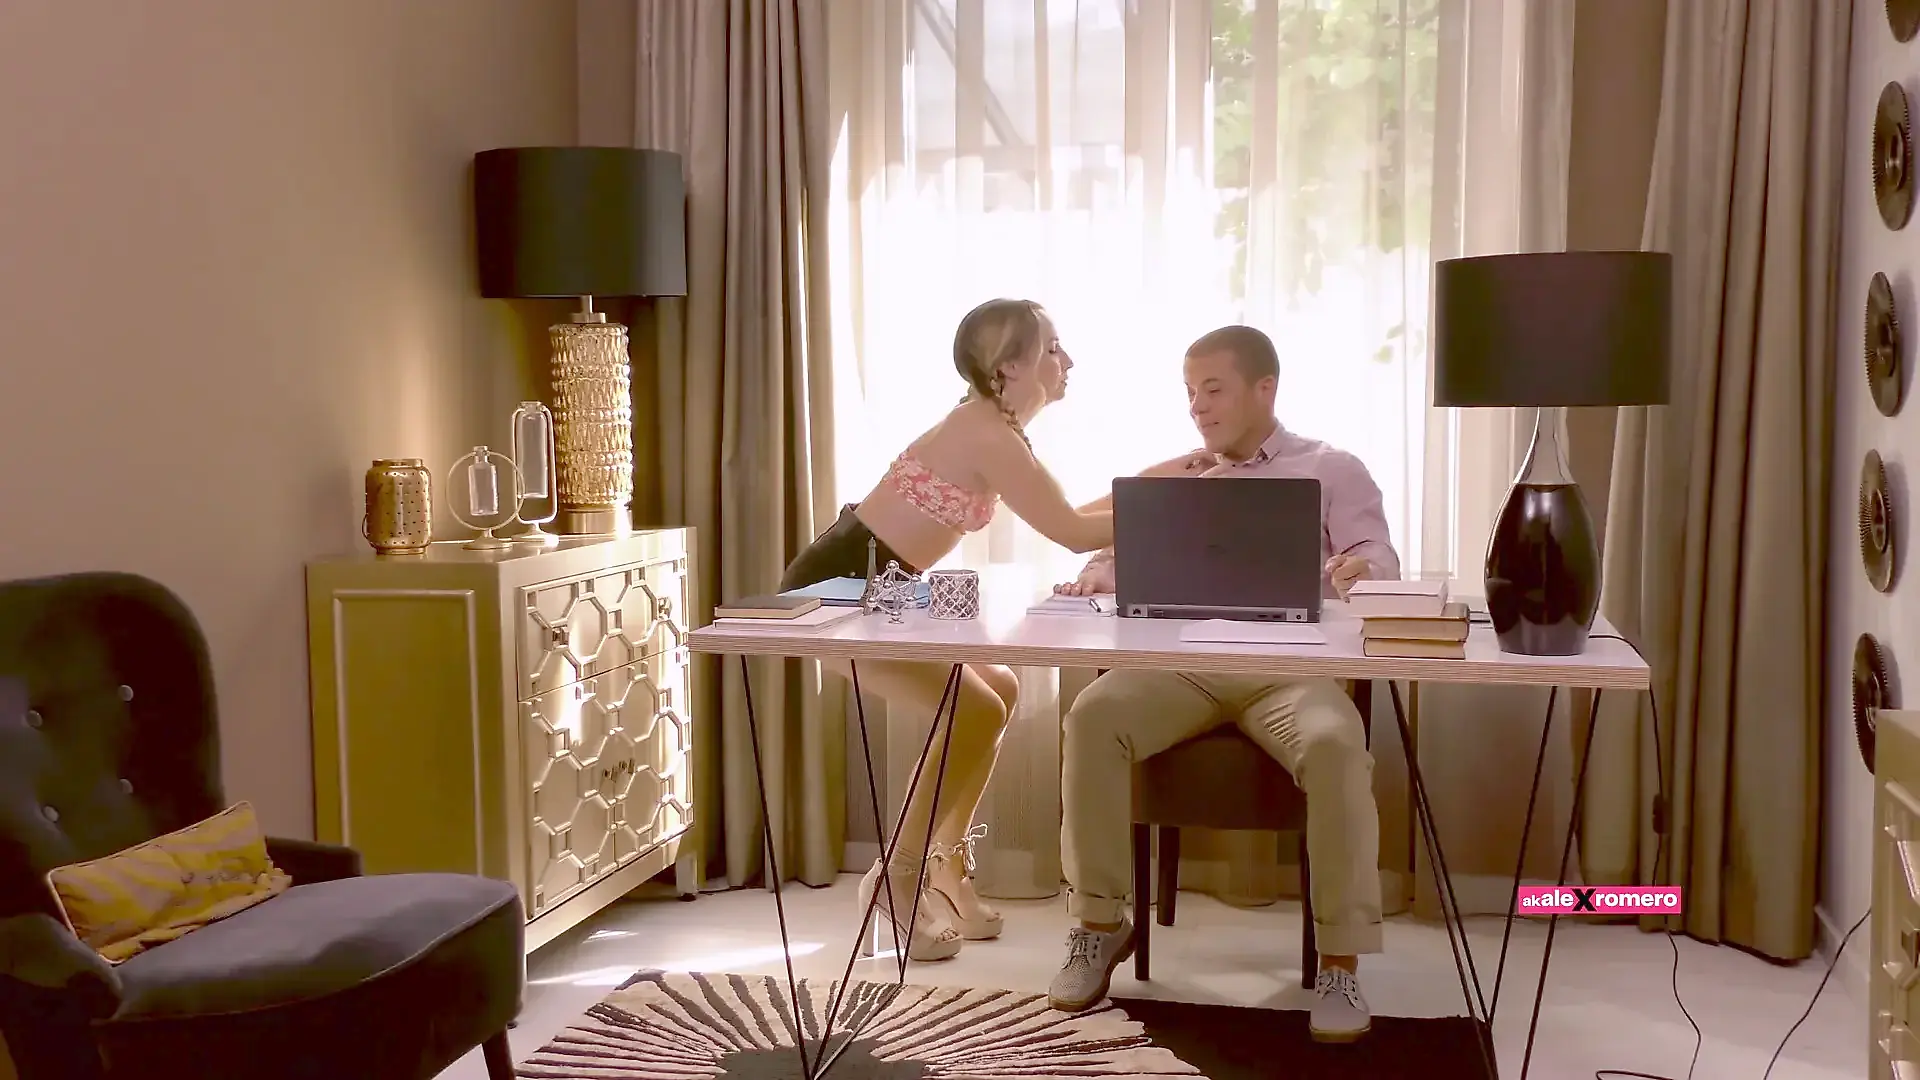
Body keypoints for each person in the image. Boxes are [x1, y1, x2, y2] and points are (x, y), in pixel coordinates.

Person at [1046, 324, 1398, 1044]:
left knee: (1336, 745)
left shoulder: (1331, 468)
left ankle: (1339, 962)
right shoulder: (1183, 477)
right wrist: (1097, 575)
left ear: (1265, 389)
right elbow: (1118, 557)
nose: (1197, 406)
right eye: (1189, 392)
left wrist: (1361, 569)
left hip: (1291, 672)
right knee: (1092, 716)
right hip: (1183, 668)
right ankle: (1098, 926)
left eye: (1213, 389)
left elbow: (1379, 559)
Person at [779, 298, 1125, 964]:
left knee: (1000, 688)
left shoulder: (995, 428)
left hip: (881, 586)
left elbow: (1066, 513)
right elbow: (1073, 531)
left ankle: (947, 867)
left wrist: (1164, 481)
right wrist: (1176, 504)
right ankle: (897, 874)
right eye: (1053, 348)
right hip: (837, 591)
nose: (1068, 360)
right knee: (974, 707)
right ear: (1009, 367)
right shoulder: (984, 431)